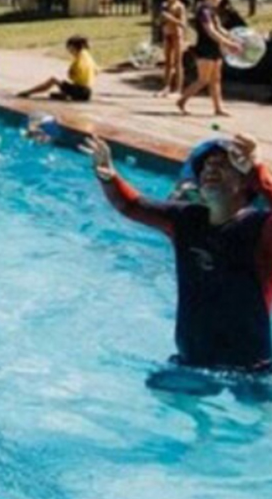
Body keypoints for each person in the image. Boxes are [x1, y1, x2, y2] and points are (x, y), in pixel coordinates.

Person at [84, 133, 272, 372]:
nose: (210, 169)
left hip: (250, 367)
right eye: (206, 165)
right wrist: (109, 177)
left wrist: (259, 173)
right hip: (191, 362)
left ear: (246, 182)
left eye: (223, 165)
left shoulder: (261, 228)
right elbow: (130, 205)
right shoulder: (185, 220)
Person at [179, 0, 241, 117]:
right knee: (203, 79)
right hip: (205, 48)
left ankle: (218, 108)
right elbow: (210, 31)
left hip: (214, 47)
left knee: (216, 79)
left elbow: (219, 28)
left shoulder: (212, 11)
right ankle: (182, 100)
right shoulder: (203, 11)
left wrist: (233, 37)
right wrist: (228, 43)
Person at [18, 35, 97, 102]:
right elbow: (95, 71)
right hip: (88, 92)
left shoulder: (79, 59)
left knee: (53, 80)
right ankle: (66, 95)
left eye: (69, 49)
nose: (69, 51)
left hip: (79, 92)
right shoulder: (87, 56)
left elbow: (74, 75)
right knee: (57, 91)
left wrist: (72, 73)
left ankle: (28, 92)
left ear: (73, 47)